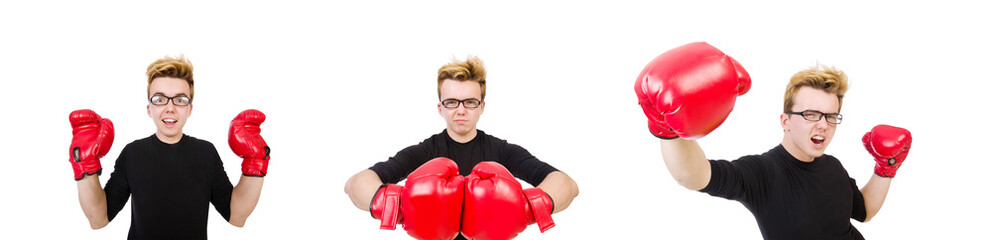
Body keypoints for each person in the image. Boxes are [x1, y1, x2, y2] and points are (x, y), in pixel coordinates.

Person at [635, 42, 912, 240]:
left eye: (830, 116)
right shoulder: (763, 172)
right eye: (810, 114)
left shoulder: (833, 167)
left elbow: (863, 212)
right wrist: (666, 129)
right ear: (785, 121)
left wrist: (886, 166)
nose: (822, 124)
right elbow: (694, 175)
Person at [344, 56, 579, 240]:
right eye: (451, 102)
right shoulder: (424, 152)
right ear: (440, 108)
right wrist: (401, 208)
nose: (460, 110)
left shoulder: (503, 151)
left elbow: (567, 185)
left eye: (469, 102)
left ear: (482, 107)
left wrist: (525, 210)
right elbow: (354, 184)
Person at [68, 55, 271, 239]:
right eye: (160, 99)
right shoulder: (133, 153)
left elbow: (237, 216)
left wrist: (256, 162)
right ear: (149, 108)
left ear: (190, 109)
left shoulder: (206, 152)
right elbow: (98, 219)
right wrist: (84, 163)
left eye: (180, 100)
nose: (170, 108)